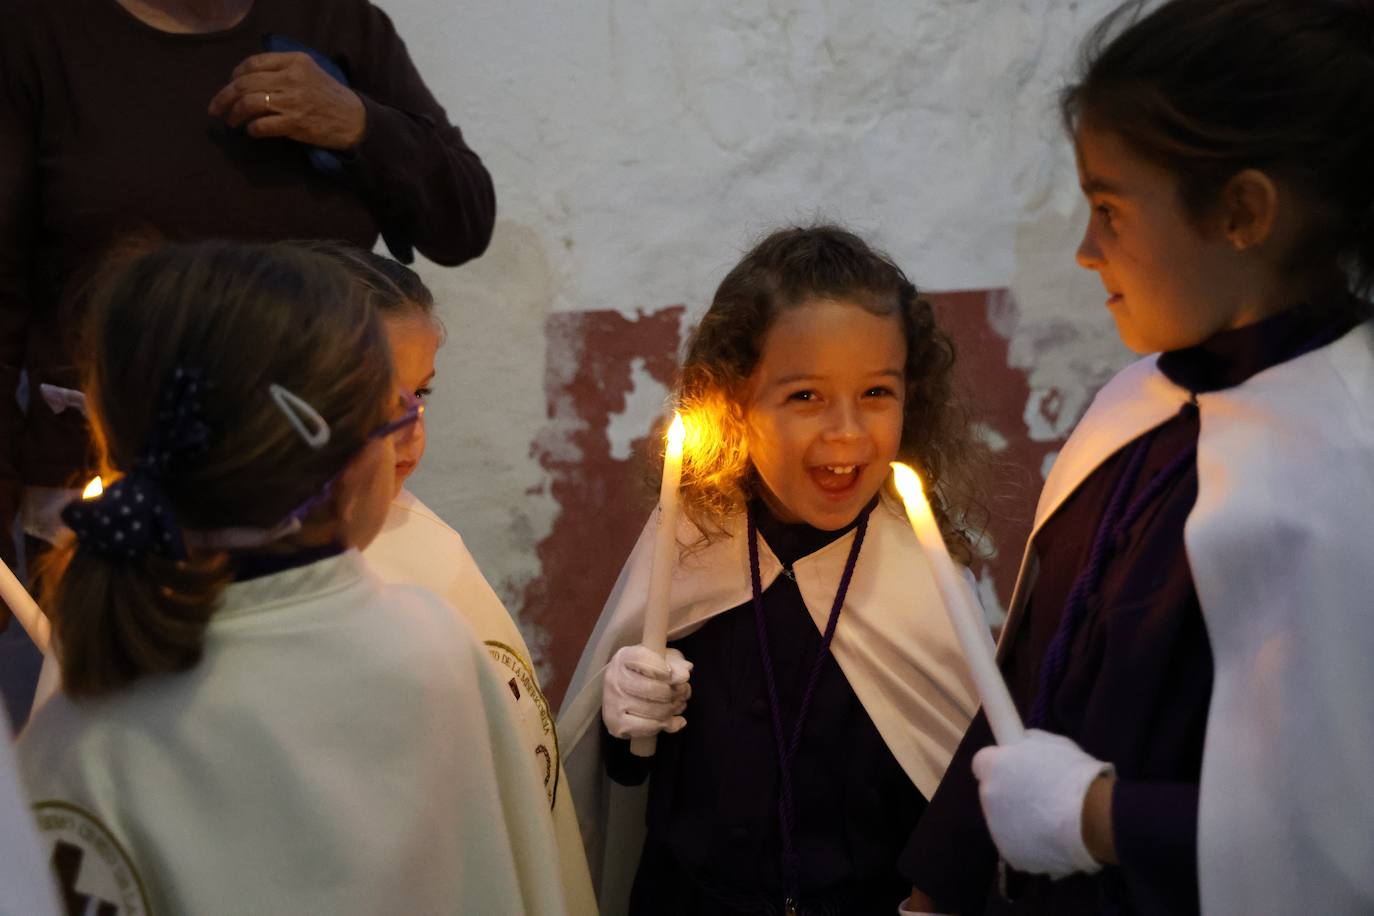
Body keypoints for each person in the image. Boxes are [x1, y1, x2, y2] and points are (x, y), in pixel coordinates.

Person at [900, 2, 1374, 914]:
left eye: (1110, 208)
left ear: (1241, 211)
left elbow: (1339, 844)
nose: (1085, 251)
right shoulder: (1138, 407)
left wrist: (1101, 819)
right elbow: (1031, 674)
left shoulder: (1346, 469)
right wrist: (934, 893)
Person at [17, 241, 571, 914]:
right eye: (390, 409)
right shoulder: (429, 650)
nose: (411, 434)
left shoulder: (77, 734)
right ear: (337, 452)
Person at [0, 0, 496, 633]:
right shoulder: (36, 35)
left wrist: (362, 126)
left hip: (323, 492)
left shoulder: (339, 24)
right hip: (119, 489)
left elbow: (463, 221)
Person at [559, 225, 985, 915]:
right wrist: (625, 720)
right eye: (806, 397)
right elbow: (629, 787)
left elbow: (957, 799)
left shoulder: (922, 580)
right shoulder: (691, 545)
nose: (846, 432)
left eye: (877, 392)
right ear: (734, 401)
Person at [306, 242, 599, 914]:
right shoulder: (268, 583)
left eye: (423, 394)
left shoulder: (429, 544)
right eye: (381, 404)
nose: (413, 436)